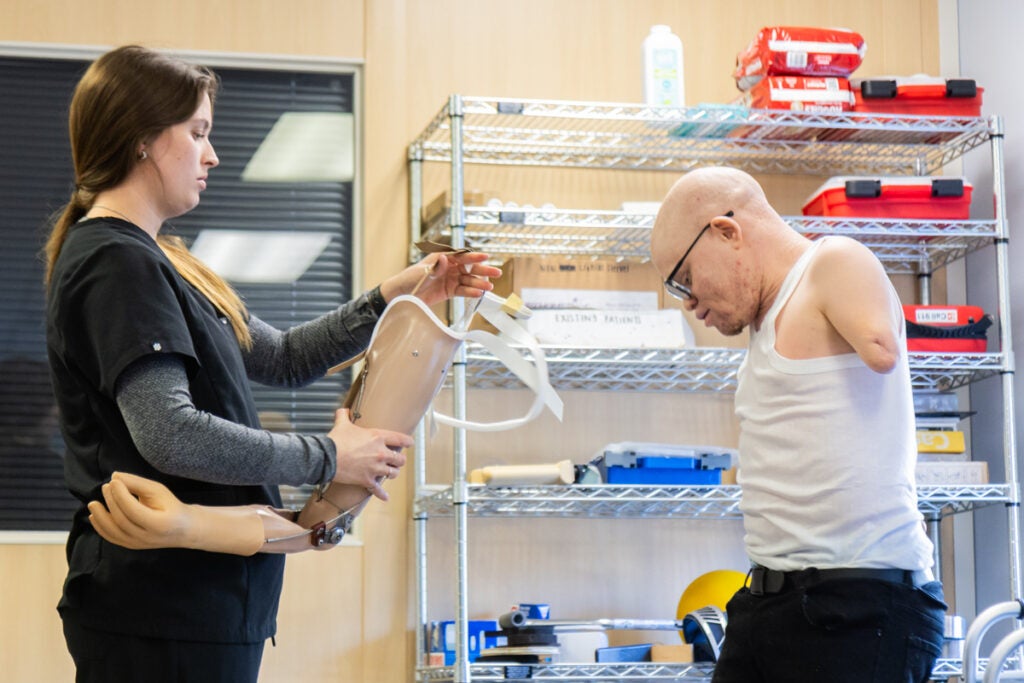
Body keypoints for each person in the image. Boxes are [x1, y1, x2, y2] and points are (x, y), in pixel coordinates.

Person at [45, 45, 500, 683]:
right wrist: (330, 458)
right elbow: (169, 432)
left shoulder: (162, 261)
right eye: (197, 133)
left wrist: (398, 292)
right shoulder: (116, 262)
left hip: (201, 601)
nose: (212, 154)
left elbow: (285, 357)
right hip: (161, 606)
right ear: (142, 138)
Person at [650, 166, 947, 682]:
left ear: (726, 232)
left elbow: (881, 348)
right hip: (768, 601)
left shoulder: (833, 261)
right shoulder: (763, 325)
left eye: (686, 279)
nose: (690, 304)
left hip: (859, 605)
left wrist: (870, 322)